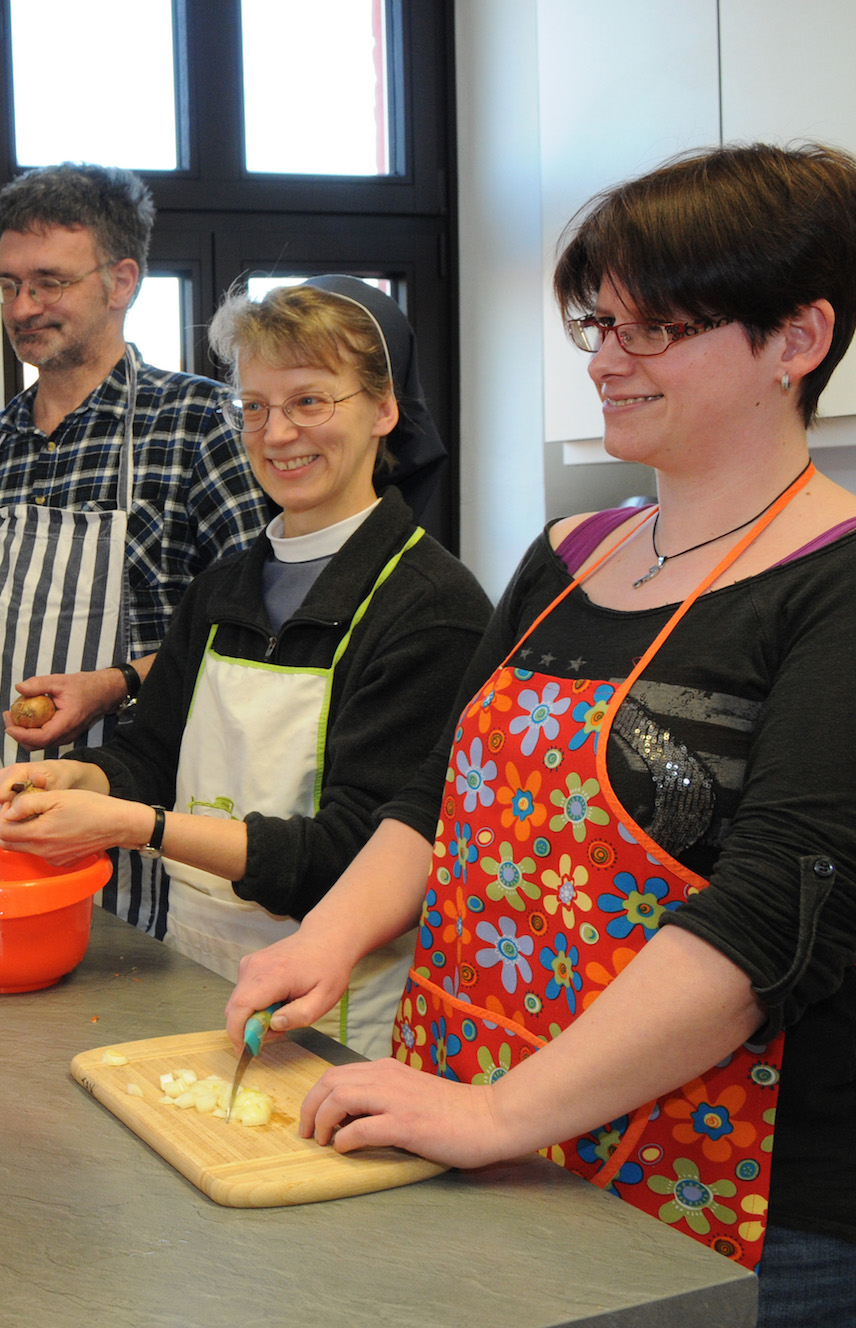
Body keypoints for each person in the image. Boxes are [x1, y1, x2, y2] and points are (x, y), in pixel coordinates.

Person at [226, 143, 856, 1317]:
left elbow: (771, 909)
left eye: (650, 328)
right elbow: (438, 793)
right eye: (596, 324)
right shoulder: (571, 556)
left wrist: (498, 1110)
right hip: (483, 1122)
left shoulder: (833, 582)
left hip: (737, 1200)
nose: (605, 362)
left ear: (796, 339)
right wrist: (327, 935)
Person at [0, 277, 489, 1058]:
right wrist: (81, 782)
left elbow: (350, 855)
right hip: (196, 970)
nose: (277, 433)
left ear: (383, 411)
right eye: (253, 406)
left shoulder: (432, 607)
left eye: (310, 401)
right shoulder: (227, 584)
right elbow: (151, 755)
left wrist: (135, 827)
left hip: (342, 1015)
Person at [0, 163, 273, 933]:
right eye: (8, 285)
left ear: (122, 281)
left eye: (48, 282)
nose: (24, 307)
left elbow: (251, 635)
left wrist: (115, 684)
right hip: (5, 819)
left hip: (150, 829)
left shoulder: (201, 426)